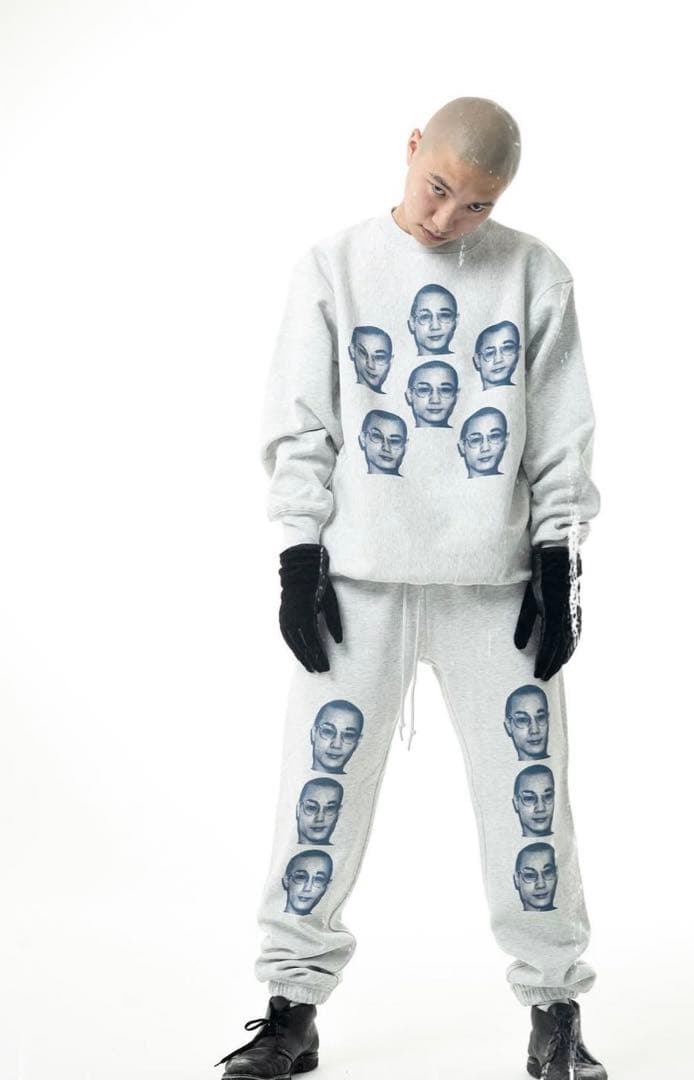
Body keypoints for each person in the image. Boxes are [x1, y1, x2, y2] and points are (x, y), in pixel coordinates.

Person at [214, 96, 608, 1079]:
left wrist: (557, 560)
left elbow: (561, 431)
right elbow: (303, 422)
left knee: (530, 796)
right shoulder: (335, 267)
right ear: (409, 150)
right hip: (359, 586)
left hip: (494, 587)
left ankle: (554, 1007)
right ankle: (291, 1007)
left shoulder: (534, 275)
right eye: (436, 188)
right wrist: (298, 557)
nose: (445, 218)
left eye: (475, 206)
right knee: (317, 793)